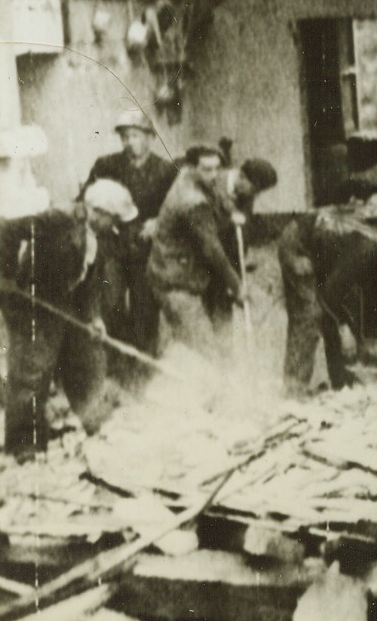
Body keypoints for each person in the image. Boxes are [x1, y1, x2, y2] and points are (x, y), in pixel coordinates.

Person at [0, 180, 138, 458]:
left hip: (62, 302)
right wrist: (7, 277)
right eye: (113, 219)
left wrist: (95, 317)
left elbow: (89, 282)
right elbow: (6, 230)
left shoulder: (96, 234)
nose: (115, 227)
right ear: (97, 211)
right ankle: (24, 444)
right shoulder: (59, 218)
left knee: (83, 356)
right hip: (30, 303)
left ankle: (94, 419)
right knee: (33, 369)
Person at [278, 210, 377, 394]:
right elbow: (329, 292)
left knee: (331, 313)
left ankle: (339, 380)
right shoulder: (368, 252)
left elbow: (372, 303)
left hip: (317, 248)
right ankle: (294, 387)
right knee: (310, 315)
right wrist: (344, 328)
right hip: (298, 243)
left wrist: (376, 343)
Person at [81, 108, 177, 360]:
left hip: (146, 249)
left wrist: (159, 222)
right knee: (110, 299)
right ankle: (115, 359)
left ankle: (144, 361)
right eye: (124, 137)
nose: (129, 142)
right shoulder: (107, 165)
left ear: (149, 137)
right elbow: (87, 199)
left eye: (135, 135)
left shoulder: (166, 171)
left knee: (145, 305)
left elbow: (176, 211)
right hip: (112, 245)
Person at [147, 143, 244, 359]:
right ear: (193, 167)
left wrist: (230, 213)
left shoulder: (195, 180)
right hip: (174, 281)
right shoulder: (192, 201)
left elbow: (218, 197)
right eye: (207, 169)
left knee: (190, 343)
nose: (213, 175)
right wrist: (236, 286)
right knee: (204, 349)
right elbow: (212, 248)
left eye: (216, 168)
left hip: (178, 273)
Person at [205, 157, 279, 326]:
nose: (256, 195)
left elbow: (241, 239)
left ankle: (225, 349)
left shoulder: (246, 194)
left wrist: (237, 280)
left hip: (223, 264)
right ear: (243, 177)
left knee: (223, 313)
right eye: (255, 189)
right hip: (201, 256)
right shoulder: (213, 181)